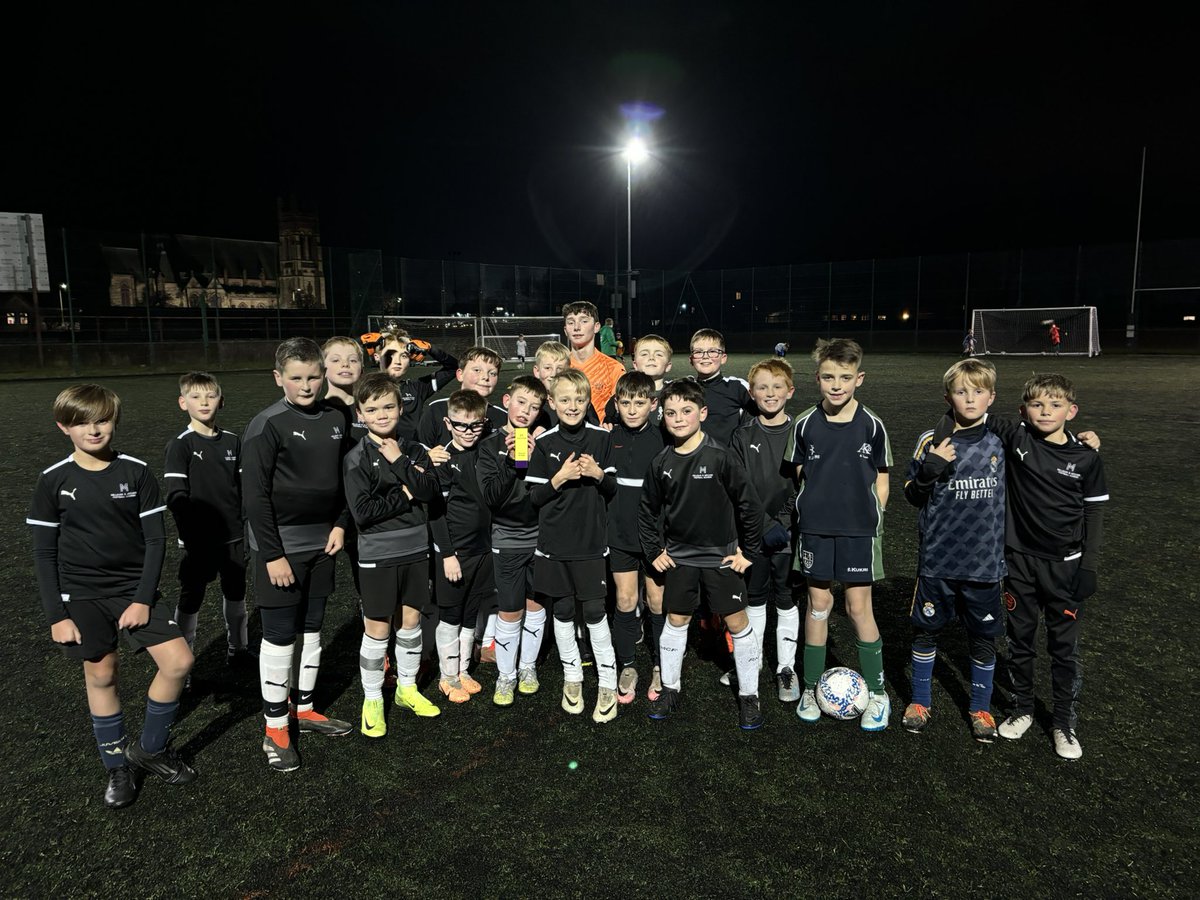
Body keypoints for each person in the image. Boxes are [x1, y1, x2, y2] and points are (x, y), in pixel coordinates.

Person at [28, 384, 195, 808]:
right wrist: (56, 615)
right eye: (82, 422)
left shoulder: (136, 472)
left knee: (179, 662)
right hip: (80, 595)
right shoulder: (53, 480)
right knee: (102, 674)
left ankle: (151, 749)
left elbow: (155, 542)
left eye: (102, 420)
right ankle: (117, 766)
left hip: (131, 591)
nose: (94, 429)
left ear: (114, 421)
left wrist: (142, 599)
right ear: (64, 427)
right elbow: (44, 552)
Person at [242, 338, 354, 772]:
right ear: (278, 379)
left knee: (312, 629)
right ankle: (274, 725)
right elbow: (255, 497)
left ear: (323, 375)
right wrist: (272, 554)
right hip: (281, 550)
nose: (306, 386)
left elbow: (347, 479)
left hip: (322, 544)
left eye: (313, 377)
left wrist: (342, 523)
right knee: (279, 634)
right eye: (296, 378)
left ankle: (302, 708)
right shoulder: (266, 424)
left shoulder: (336, 417)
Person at [993, 374, 1107, 759]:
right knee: (1020, 641)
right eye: (1037, 404)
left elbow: (1095, 513)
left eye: (1055, 405)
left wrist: (1088, 567)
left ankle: (1063, 722)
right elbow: (969, 409)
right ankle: (1023, 709)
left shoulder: (1086, 457)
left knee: (1063, 649)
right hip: (1019, 561)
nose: (1046, 411)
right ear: (1023, 410)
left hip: (1065, 567)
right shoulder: (1017, 438)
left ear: (1071, 411)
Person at [638, 380, 765, 729]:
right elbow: (647, 512)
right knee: (676, 620)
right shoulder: (661, 461)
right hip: (680, 558)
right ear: (663, 417)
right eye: (671, 413)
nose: (678, 419)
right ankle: (669, 688)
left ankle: (749, 696)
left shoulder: (721, 456)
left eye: (687, 411)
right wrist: (654, 552)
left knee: (737, 623)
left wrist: (748, 552)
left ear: (703, 413)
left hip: (721, 558)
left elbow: (749, 507)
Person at [787, 338, 893, 731]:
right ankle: (812, 689)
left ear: (859, 379)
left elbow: (882, 479)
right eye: (829, 377)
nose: (836, 385)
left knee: (858, 608)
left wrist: (873, 515)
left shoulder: (873, 424)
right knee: (818, 605)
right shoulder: (804, 424)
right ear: (817, 378)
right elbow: (800, 475)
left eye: (845, 378)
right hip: (815, 531)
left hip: (858, 534)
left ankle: (879, 694)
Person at [901, 359, 1007, 742]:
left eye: (979, 391)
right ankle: (920, 700)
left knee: (982, 638)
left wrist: (1083, 441)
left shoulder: (1001, 440)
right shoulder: (933, 439)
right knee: (926, 632)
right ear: (948, 396)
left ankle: (981, 708)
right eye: (962, 391)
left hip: (984, 563)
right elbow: (912, 495)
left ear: (991, 397)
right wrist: (930, 467)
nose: (970, 398)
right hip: (938, 561)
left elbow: (1046, 442)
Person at [343, 373, 442, 736]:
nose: (382, 415)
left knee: (411, 624)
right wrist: (405, 494)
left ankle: (407, 688)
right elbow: (363, 513)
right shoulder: (356, 457)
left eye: (388, 407)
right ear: (360, 414)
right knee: (378, 630)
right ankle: (372, 698)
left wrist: (401, 462)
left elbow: (430, 492)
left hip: (416, 550)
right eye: (372, 409)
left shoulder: (414, 450)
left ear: (401, 408)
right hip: (377, 556)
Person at [525, 369, 620, 722]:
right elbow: (532, 497)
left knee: (595, 613)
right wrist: (559, 478)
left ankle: (607, 683)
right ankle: (573, 677)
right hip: (553, 546)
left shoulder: (600, 439)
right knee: (562, 612)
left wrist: (597, 474)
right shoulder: (545, 443)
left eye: (579, 399)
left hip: (591, 545)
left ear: (587, 401)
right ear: (552, 402)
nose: (572, 406)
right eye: (564, 399)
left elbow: (613, 490)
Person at [163, 372, 250, 671]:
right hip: (198, 541)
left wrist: (245, 527)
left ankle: (238, 649)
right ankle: (183, 663)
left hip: (233, 536)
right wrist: (190, 536)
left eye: (210, 396)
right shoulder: (181, 445)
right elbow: (176, 497)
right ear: (182, 402)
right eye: (196, 396)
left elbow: (243, 491)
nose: (204, 402)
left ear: (221, 401)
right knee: (191, 598)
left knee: (236, 593)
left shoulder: (233, 442)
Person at [731, 358, 802, 702]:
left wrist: (784, 524)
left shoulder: (801, 431)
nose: (769, 393)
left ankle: (786, 669)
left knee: (786, 599)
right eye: (762, 387)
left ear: (790, 391)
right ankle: (753, 662)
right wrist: (763, 525)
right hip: (753, 533)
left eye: (777, 387)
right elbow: (739, 487)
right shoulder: (743, 435)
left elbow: (806, 485)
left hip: (791, 534)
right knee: (755, 597)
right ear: (752, 393)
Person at [475, 375, 549, 704]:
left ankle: (528, 667)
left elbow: (550, 493)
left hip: (541, 539)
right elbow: (492, 496)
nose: (526, 411)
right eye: (521, 402)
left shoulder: (544, 443)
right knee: (509, 610)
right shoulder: (490, 445)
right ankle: (505, 675)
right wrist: (510, 461)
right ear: (507, 401)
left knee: (535, 605)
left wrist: (538, 459)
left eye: (535, 407)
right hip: (507, 539)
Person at [428, 390, 496, 703]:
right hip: (456, 553)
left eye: (475, 426)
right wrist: (447, 555)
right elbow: (436, 513)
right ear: (447, 422)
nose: (467, 432)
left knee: (471, 613)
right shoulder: (441, 460)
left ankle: (463, 670)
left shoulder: (488, 452)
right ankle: (447, 675)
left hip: (484, 550)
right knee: (451, 615)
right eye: (460, 425)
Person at [606, 372, 667, 703]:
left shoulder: (663, 439)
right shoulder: (608, 437)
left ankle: (661, 664)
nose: (632, 410)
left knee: (656, 601)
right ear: (617, 404)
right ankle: (627, 664)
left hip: (654, 538)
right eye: (626, 403)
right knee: (625, 601)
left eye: (640, 403)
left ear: (653, 405)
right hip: (619, 535)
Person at [366, 326, 460, 442]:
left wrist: (431, 349)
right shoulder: (364, 388)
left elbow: (453, 368)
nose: (398, 361)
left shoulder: (417, 388)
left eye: (404, 356)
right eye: (391, 354)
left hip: (411, 457)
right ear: (377, 356)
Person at [415, 346, 507, 450]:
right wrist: (427, 456)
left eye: (492, 373)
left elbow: (520, 463)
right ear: (460, 374)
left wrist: (518, 459)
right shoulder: (436, 410)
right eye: (477, 370)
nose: (486, 377)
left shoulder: (503, 417)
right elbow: (418, 451)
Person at [687, 328, 757, 446]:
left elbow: (764, 413)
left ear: (723, 358)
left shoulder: (736, 387)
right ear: (691, 359)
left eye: (713, 351)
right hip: (693, 459)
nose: (705, 356)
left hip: (727, 459)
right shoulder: (685, 387)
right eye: (698, 352)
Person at [563, 302, 626, 423]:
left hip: (602, 439)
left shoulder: (614, 368)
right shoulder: (558, 368)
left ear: (596, 327)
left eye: (584, 321)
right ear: (566, 330)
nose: (576, 327)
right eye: (571, 322)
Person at [603, 333, 673, 425]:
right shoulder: (622, 395)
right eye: (644, 354)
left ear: (668, 366)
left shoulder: (675, 394)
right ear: (635, 364)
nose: (651, 358)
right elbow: (609, 423)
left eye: (659, 354)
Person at [532, 340, 599, 430]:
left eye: (560, 368)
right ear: (537, 371)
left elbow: (594, 431)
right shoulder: (529, 401)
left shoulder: (578, 401)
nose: (554, 374)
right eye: (548, 368)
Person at [321, 336, 366, 433]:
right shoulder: (313, 412)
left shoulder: (371, 411)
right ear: (322, 369)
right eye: (336, 360)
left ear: (362, 369)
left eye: (353, 360)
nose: (345, 364)